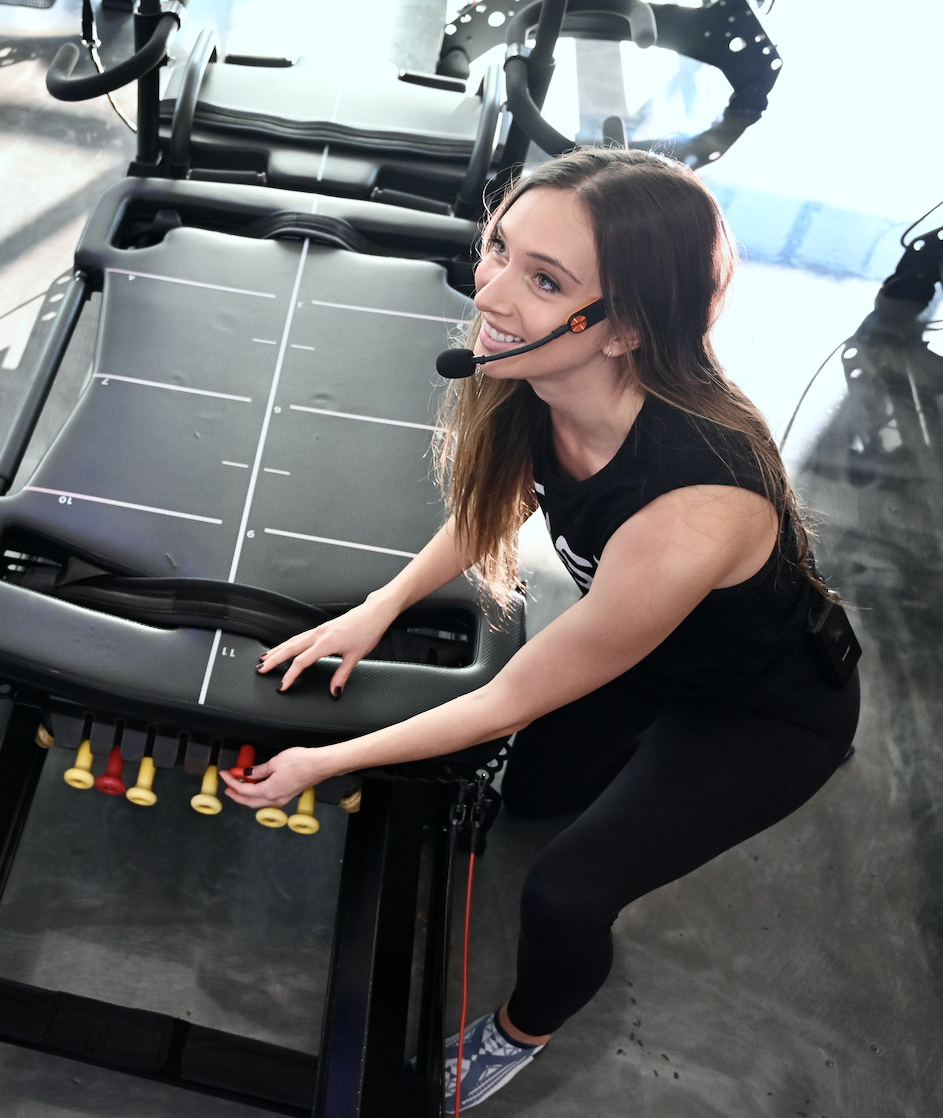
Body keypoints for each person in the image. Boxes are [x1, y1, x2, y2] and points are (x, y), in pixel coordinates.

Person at [222, 148, 859, 1110]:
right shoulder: (541, 379)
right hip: (642, 647)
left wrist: (324, 760)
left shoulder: (694, 504)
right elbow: (498, 498)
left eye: (545, 279)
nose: (494, 291)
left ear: (626, 329)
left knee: (564, 890)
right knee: (536, 794)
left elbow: (509, 698)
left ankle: (517, 1033)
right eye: (500, 249)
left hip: (759, 707)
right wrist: (377, 609)